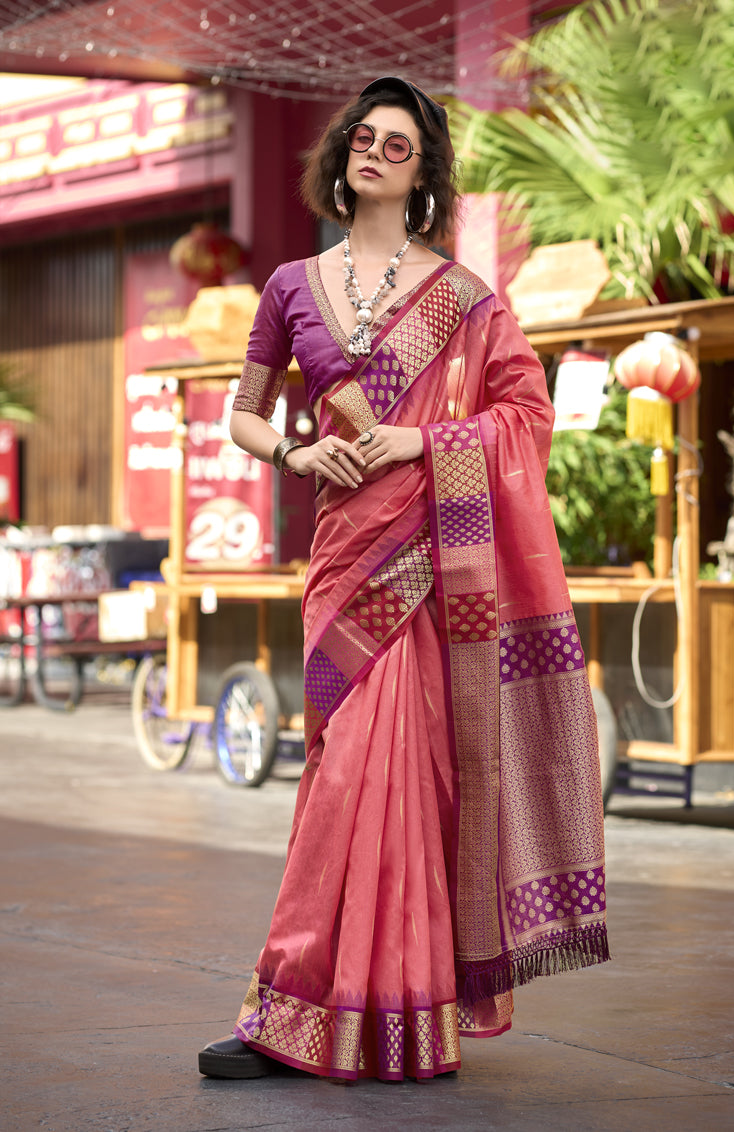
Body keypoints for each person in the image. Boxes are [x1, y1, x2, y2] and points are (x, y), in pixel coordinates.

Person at [198, 76, 608, 1084]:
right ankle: (304, 1005)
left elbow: (524, 416)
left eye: (396, 143)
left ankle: (391, 1013)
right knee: (342, 771)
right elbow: (245, 415)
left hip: (430, 568)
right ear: (340, 154)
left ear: (423, 175)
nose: (373, 151)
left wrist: (416, 444)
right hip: (344, 558)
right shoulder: (292, 285)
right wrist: (298, 456)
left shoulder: (467, 300)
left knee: (401, 781)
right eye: (363, 137)